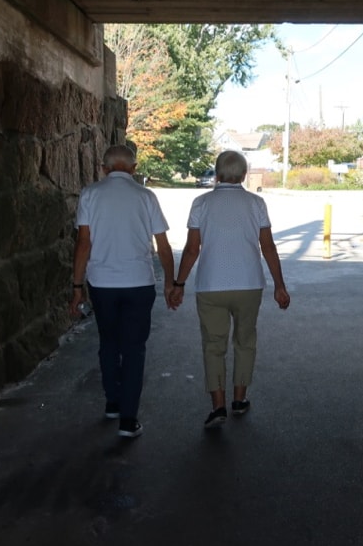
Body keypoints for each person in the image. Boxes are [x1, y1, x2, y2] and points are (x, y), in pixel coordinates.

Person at [170, 150, 290, 429]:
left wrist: (179, 283)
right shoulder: (256, 203)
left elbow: (191, 249)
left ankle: (218, 406)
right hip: (249, 284)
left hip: (211, 286)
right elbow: (268, 246)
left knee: (214, 346)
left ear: (217, 172)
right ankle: (239, 399)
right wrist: (279, 285)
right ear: (244, 174)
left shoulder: (201, 203)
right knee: (245, 341)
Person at [70, 144, 176, 438]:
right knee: (134, 349)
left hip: (102, 283)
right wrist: (170, 282)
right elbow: (163, 245)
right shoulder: (146, 197)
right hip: (139, 282)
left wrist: (77, 286)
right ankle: (128, 420)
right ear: (134, 168)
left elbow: (83, 244)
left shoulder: (91, 194)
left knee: (108, 343)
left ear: (104, 168)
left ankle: (112, 402)